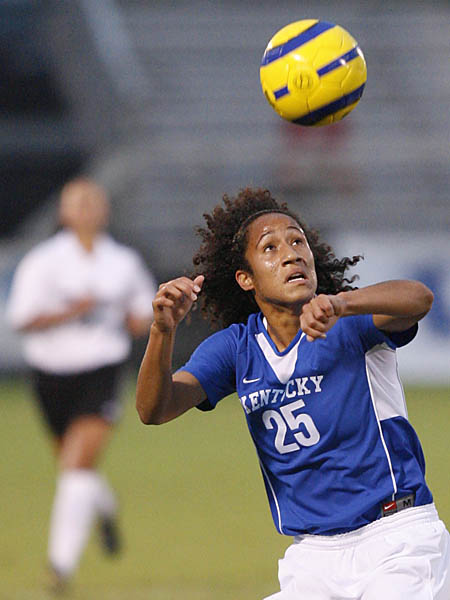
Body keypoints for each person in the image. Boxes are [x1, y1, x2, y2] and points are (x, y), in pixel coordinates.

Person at [136, 188, 450, 600]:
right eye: (270, 247)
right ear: (245, 278)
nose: (291, 254)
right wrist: (162, 330)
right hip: (312, 559)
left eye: (298, 241)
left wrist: (342, 303)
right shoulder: (237, 348)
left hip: (397, 542)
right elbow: (154, 408)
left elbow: (419, 298)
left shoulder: (348, 321)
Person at [6, 177, 157, 592]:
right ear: (64, 212)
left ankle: (60, 567)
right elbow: (21, 319)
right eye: (79, 202)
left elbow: (143, 312)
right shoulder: (43, 261)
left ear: (105, 210)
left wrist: (137, 320)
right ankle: (105, 507)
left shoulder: (122, 261)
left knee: (75, 467)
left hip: (100, 370)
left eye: (95, 201)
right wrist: (73, 311)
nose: (88, 208)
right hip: (50, 375)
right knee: (76, 470)